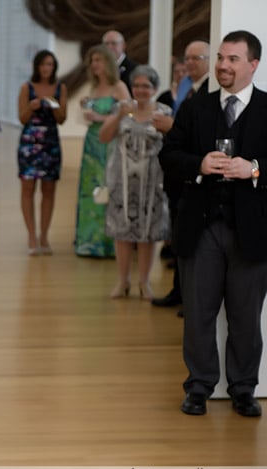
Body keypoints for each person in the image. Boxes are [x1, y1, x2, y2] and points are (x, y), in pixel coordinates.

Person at [159, 30, 267, 418]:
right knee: (199, 313)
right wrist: (199, 165)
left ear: (253, 65)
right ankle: (198, 387)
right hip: (201, 227)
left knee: (245, 316)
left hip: (254, 233)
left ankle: (243, 388)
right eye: (221, 58)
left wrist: (255, 168)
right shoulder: (195, 108)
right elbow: (169, 155)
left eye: (232, 59)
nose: (223, 65)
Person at [99, 65, 172, 299]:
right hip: (123, 181)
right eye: (137, 86)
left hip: (152, 183)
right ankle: (123, 282)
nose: (141, 90)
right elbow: (104, 136)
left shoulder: (164, 111)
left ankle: (144, 282)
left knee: (147, 233)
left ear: (155, 88)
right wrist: (120, 115)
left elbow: (175, 140)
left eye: (146, 86)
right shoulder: (121, 109)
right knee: (122, 233)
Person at [153, 40, 211, 311]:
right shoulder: (188, 87)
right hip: (179, 170)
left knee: (191, 239)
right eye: (187, 58)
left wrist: (171, 126)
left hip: (198, 175)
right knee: (179, 233)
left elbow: (201, 134)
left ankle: (189, 296)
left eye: (196, 58)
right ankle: (179, 289)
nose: (189, 63)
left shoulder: (211, 90)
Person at [75, 44, 131, 258]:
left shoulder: (118, 86)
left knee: (108, 186)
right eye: (92, 61)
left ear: (108, 62)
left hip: (110, 142)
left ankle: (108, 242)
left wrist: (100, 118)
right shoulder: (94, 87)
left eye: (98, 60)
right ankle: (88, 240)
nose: (95, 64)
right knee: (90, 188)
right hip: (91, 142)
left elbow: (128, 114)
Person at [17, 50, 67, 256]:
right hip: (30, 143)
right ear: (37, 66)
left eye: (50, 65)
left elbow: (62, 118)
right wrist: (32, 106)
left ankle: (44, 234)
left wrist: (53, 106)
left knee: (49, 189)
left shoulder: (60, 87)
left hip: (50, 143)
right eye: (44, 64)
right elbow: (22, 117)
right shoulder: (26, 87)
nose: (47, 68)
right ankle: (31, 234)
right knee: (28, 188)